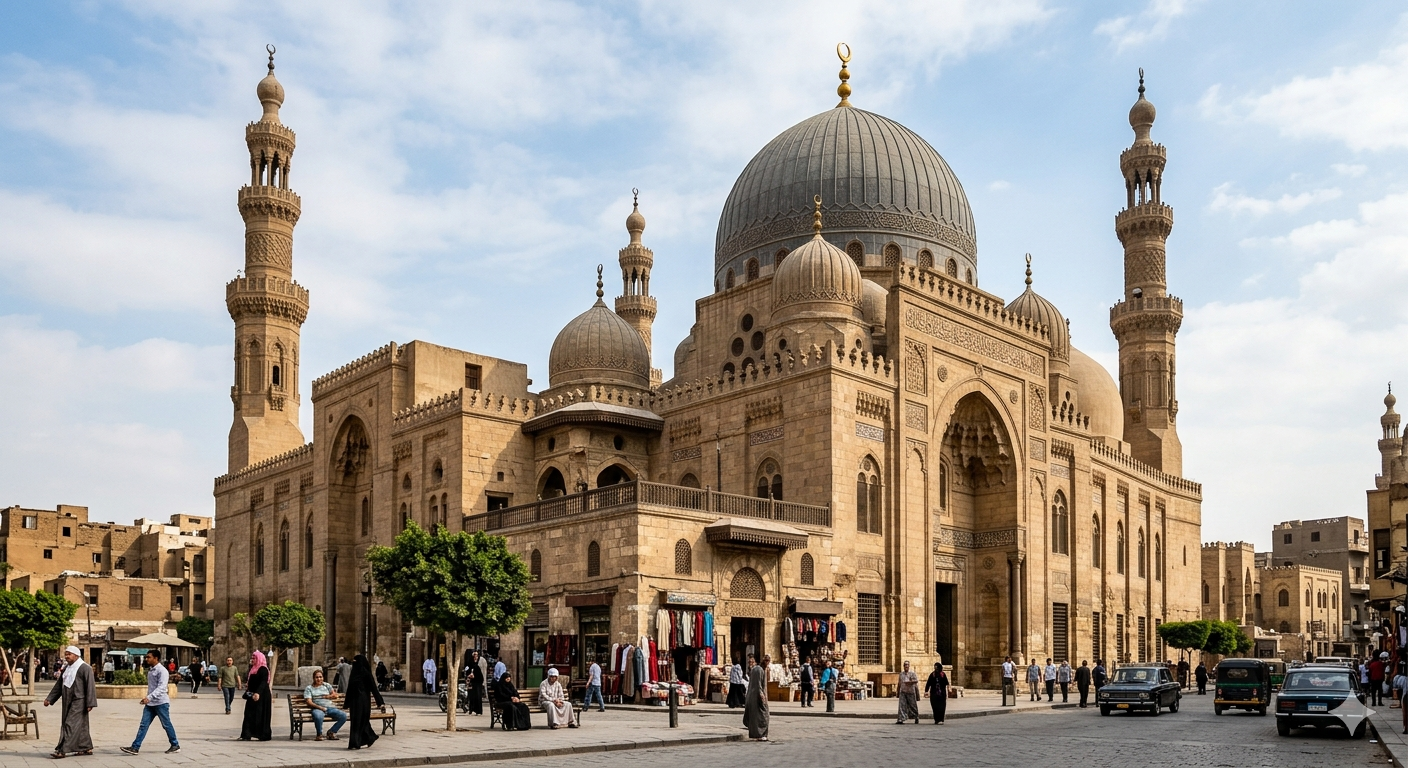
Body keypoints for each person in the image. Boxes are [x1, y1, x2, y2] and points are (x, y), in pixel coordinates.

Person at [120, 650, 180, 755]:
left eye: (149, 657)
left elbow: (162, 687)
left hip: (161, 703)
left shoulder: (162, 671)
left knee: (166, 724)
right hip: (151, 704)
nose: (147, 659)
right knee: (143, 725)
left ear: (156, 658)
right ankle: (135, 747)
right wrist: (149, 699)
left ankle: (175, 745)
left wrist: (149, 697)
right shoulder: (151, 670)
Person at [43, 646, 96, 759]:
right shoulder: (67, 668)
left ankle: (63, 750)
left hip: (79, 700)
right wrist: (50, 698)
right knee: (80, 725)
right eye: (66, 654)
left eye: (69, 654)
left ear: (76, 655)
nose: (66, 656)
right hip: (67, 700)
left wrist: (90, 703)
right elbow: (59, 685)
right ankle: (85, 747)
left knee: (69, 724)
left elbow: (90, 686)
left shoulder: (85, 668)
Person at [345, 654, 386, 750]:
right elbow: (349, 689)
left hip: (363, 701)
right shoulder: (354, 673)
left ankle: (360, 741)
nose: (354, 663)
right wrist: (347, 703)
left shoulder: (366, 673)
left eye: (356, 661)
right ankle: (360, 740)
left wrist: (380, 702)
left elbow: (374, 688)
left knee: (362, 721)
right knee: (355, 721)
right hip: (354, 702)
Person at [303, 668, 347, 741]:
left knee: (343, 716)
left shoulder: (326, 685)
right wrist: (320, 708)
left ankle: (332, 732)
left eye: (320, 677)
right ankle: (319, 735)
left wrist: (327, 696)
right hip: (317, 708)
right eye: (317, 677)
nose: (319, 679)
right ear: (313, 678)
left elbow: (335, 695)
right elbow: (309, 702)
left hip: (330, 708)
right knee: (318, 716)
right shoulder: (309, 688)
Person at [238, 650, 272, 741]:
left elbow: (263, 682)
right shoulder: (253, 668)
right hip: (251, 695)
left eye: (254, 658)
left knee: (260, 715)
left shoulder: (263, 669)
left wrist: (258, 693)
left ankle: (263, 734)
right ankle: (246, 734)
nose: (252, 659)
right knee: (248, 714)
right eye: (252, 657)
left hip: (261, 696)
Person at [743, 654, 770, 741]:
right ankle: (761, 734)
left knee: (757, 716)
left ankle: (758, 734)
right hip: (757, 696)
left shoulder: (757, 669)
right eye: (766, 661)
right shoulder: (759, 670)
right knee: (764, 716)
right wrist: (762, 696)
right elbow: (759, 685)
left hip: (752, 695)